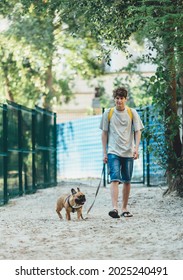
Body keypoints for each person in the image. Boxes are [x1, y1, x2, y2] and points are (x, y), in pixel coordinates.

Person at [100, 87, 144, 218]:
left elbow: (138, 131)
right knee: (114, 179)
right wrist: (104, 152)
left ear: (126, 99)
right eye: (117, 98)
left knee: (127, 181)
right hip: (113, 151)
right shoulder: (108, 113)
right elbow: (104, 133)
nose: (119, 101)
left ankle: (124, 208)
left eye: (121, 98)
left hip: (128, 152)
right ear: (114, 99)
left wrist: (136, 148)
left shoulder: (132, 113)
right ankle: (114, 208)